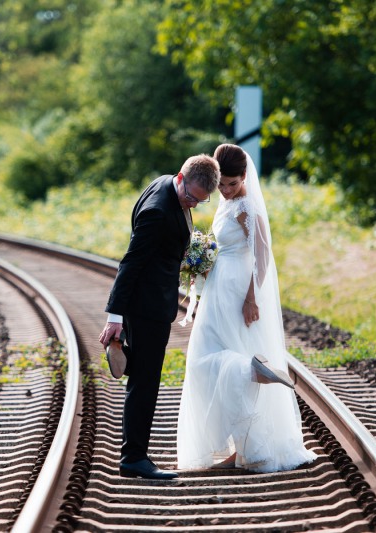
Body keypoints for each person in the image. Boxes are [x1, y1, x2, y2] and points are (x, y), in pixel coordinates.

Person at [176, 144, 317, 472]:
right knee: (200, 359)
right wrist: (202, 258)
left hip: (239, 292)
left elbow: (262, 257)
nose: (226, 190)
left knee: (221, 354)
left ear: (245, 179)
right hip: (218, 289)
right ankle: (248, 386)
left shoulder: (248, 208)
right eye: (221, 185)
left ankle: (250, 447)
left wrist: (252, 299)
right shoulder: (226, 204)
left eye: (233, 184)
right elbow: (222, 245)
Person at [99, 155, 220, 480]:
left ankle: (134, 455)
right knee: (145, 383)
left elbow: (166, 246)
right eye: (190, 197)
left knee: (144, 380)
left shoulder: (167, 183)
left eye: (199, 201)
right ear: (181, 177)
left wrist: (192, 256)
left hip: (152, 303)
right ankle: (134, 458)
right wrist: (115, 315)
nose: (192, 203)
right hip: (146, 308)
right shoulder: (158, 210)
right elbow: (131, 262)